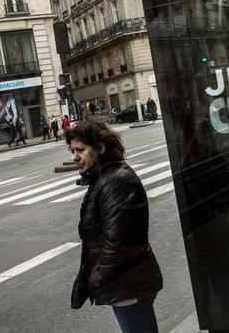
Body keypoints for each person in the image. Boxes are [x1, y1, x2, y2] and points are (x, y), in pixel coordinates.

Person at [65, 118, 163, 332]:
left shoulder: (116, 181)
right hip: (125, 281)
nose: (75, 157)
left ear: (99, 148)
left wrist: (96, 279)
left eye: (80, 150)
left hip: (129, 283)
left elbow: (118, 243)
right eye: (73, 151)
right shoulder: (104, 178)